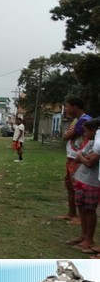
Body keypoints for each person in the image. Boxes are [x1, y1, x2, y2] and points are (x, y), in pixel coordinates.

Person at [66, 118, 100, 254]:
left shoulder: (96, 144)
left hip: (91, 182)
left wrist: (81, 157)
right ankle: (83, 236)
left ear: (94, 131)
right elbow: (80, 156)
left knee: (89, 210)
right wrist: (81, 157)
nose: (85, 134)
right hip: (81, 178)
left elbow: (89, 161)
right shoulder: (90, 143)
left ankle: (89, 239)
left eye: (86, 131)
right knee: (81, 208)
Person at [58, 97, 92, 225]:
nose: (65, 109)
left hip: (79, 158)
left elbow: (67, 136)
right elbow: (66, 135)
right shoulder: (76, 120)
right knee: (70, 185)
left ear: (75, 107)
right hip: (72, 156)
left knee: (77, 187)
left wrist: (67, 134)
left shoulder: (85, 120)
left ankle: (80, 217)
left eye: (67, 106)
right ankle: (71, 212)